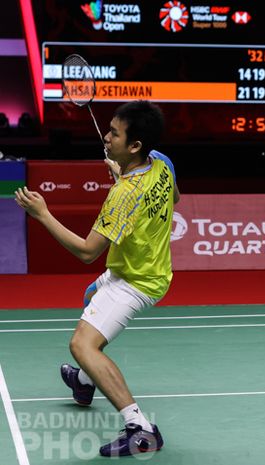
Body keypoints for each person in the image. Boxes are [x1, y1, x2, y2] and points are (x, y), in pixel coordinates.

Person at [15, 100, 179, 457]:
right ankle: (85, 381)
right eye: (108, 130)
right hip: (147, 268)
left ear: (135, 146)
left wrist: (42, 214)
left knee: (81, 345)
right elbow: (174, 198)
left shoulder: (123, 195)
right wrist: (124, 178)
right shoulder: (163, 163)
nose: (106, 138)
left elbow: (87, 252)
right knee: (92, 297)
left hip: (136, 282)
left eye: (114, 134)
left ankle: (141, 429)